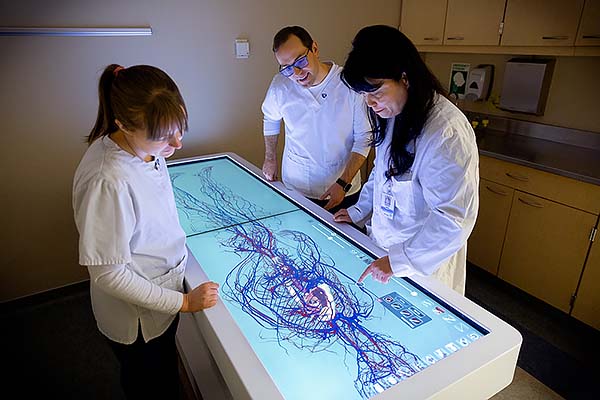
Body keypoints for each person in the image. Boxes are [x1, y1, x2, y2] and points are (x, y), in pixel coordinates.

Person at [72, 64, 220, 399]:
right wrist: (183, 302)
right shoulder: (107, 179)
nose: (178, 143)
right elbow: (108, 274)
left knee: (165, 372)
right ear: (123, 124)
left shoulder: (145, 147)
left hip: (161, 291)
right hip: (137, 319)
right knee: (151, 386)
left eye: (180, 127)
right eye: (165, 136)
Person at [333, 25, 479, 295]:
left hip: (424, 266)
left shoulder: (445, 133)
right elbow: (382, 174)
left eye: (375, 92)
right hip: (384, 252)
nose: (370, 103)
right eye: (364, 95)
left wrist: (399, 261)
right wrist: (357, 212)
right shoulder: (395, 114)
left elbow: (453, 220)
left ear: (405, 78)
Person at [261, 26, 372, 213]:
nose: (296, 73)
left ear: (314, 48)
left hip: (343, 188)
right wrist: (270, 158)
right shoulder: (280, 85)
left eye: (300, 61)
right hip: (295, 187)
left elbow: (364, 137)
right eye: (286, 68)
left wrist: (343, 183)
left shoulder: (349, 84)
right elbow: (271, 119)